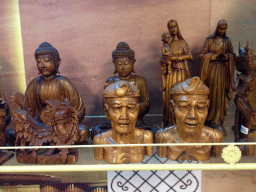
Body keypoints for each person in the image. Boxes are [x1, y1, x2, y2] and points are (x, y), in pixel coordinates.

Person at [25, 42, 88, 142]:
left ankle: (52, 141)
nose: (43, 65)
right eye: (39, 61)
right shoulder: (34, 84)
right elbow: (28, 111)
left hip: (62, 126)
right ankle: (50, 141)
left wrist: (65, 121)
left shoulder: (63, 83)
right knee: (20, 134)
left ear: (57, 62)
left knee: (84, 132)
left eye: (47, 61)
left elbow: (79, 110)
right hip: (40, 128)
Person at [91, 42, 151, 138]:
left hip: (136, 122)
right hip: (116, 122)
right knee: (96, 131)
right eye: (119, 64)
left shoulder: (139, 81)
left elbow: (146, 103)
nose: (123, 67)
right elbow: (105, 105)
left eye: (126, 63)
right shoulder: (110, 82)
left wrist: (133, 108)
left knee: (151, 133)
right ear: (114, 64)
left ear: (133, 63)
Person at [156, 77, 223, 161]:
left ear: (207, 106)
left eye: (200, 108)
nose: (192, 115)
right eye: (184, 107)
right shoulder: (163, 137)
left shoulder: (214, 137)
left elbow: (215, 166)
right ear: (172, 107)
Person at [93, 81, 153, 164]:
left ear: (137, 110)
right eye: (117, 108)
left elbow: (151, 164)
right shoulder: (100, 141)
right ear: (107, 111)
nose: (124, 116)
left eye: (130, 108)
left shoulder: (146, 137)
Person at [200, 20, 235, 136]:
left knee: (221, 96)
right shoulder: (209, 40)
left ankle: (219, 121)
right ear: (217, 28)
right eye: (220, 28)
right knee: (212, 94)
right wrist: (214, 56)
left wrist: (226, 56)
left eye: (224, 29)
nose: (222, 31)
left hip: (223, 72)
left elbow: (232, 55)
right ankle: (210, 121)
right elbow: (202, 55)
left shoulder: (227, 41)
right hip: (212, 72)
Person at [161, 20, 193, 127]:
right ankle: (170, 121)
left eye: (174, 27)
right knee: (171, 95)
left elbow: (190, 56)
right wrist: (163, 62)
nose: (173, 29)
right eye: (170, 27)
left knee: (181, 95)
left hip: (182, 73)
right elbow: (164, 57)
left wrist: (177, 58)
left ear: (177, 27)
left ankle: (181, 121)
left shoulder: (182, 42)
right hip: (171, 74)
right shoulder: (167, 43)